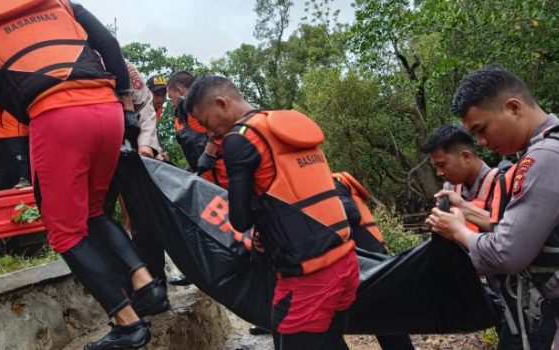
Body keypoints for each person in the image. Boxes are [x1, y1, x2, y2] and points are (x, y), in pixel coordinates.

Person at [0, 1, 168, 349]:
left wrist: (39, 116)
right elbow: (108, 44)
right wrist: (124, 101)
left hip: (57, 117)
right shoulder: (61, 3)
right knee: (93, 211)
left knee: (64, 233)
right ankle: (146, 283)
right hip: (108, 111)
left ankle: (128, 324)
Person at [187, 76, 359, 350]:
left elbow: (240, 218)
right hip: (346, 263)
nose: (209, 132)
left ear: (222, 103)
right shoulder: (284, 125)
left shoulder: (239, 139)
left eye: (207, 122)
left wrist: (258, 223)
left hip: (307, 278)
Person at [427, 65, 559, 350]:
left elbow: (507, 253)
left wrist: (459, 232)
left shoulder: (544, 157)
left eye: (482, 129)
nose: (482, 143)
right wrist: (466, 209)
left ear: (514, 108)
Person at [333, 172, 415, 350]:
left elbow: (351, 213)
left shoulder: (333, 182)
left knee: (386, 324)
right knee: (329, 324)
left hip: (369, 262)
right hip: (356, 262)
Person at [420, 124, 497, 232]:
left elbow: (510, 232)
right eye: (436, 167)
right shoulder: (450, 187)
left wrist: (463, 208)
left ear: (465, 156)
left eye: (441, 165)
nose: (439, 173)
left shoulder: (502, 183)